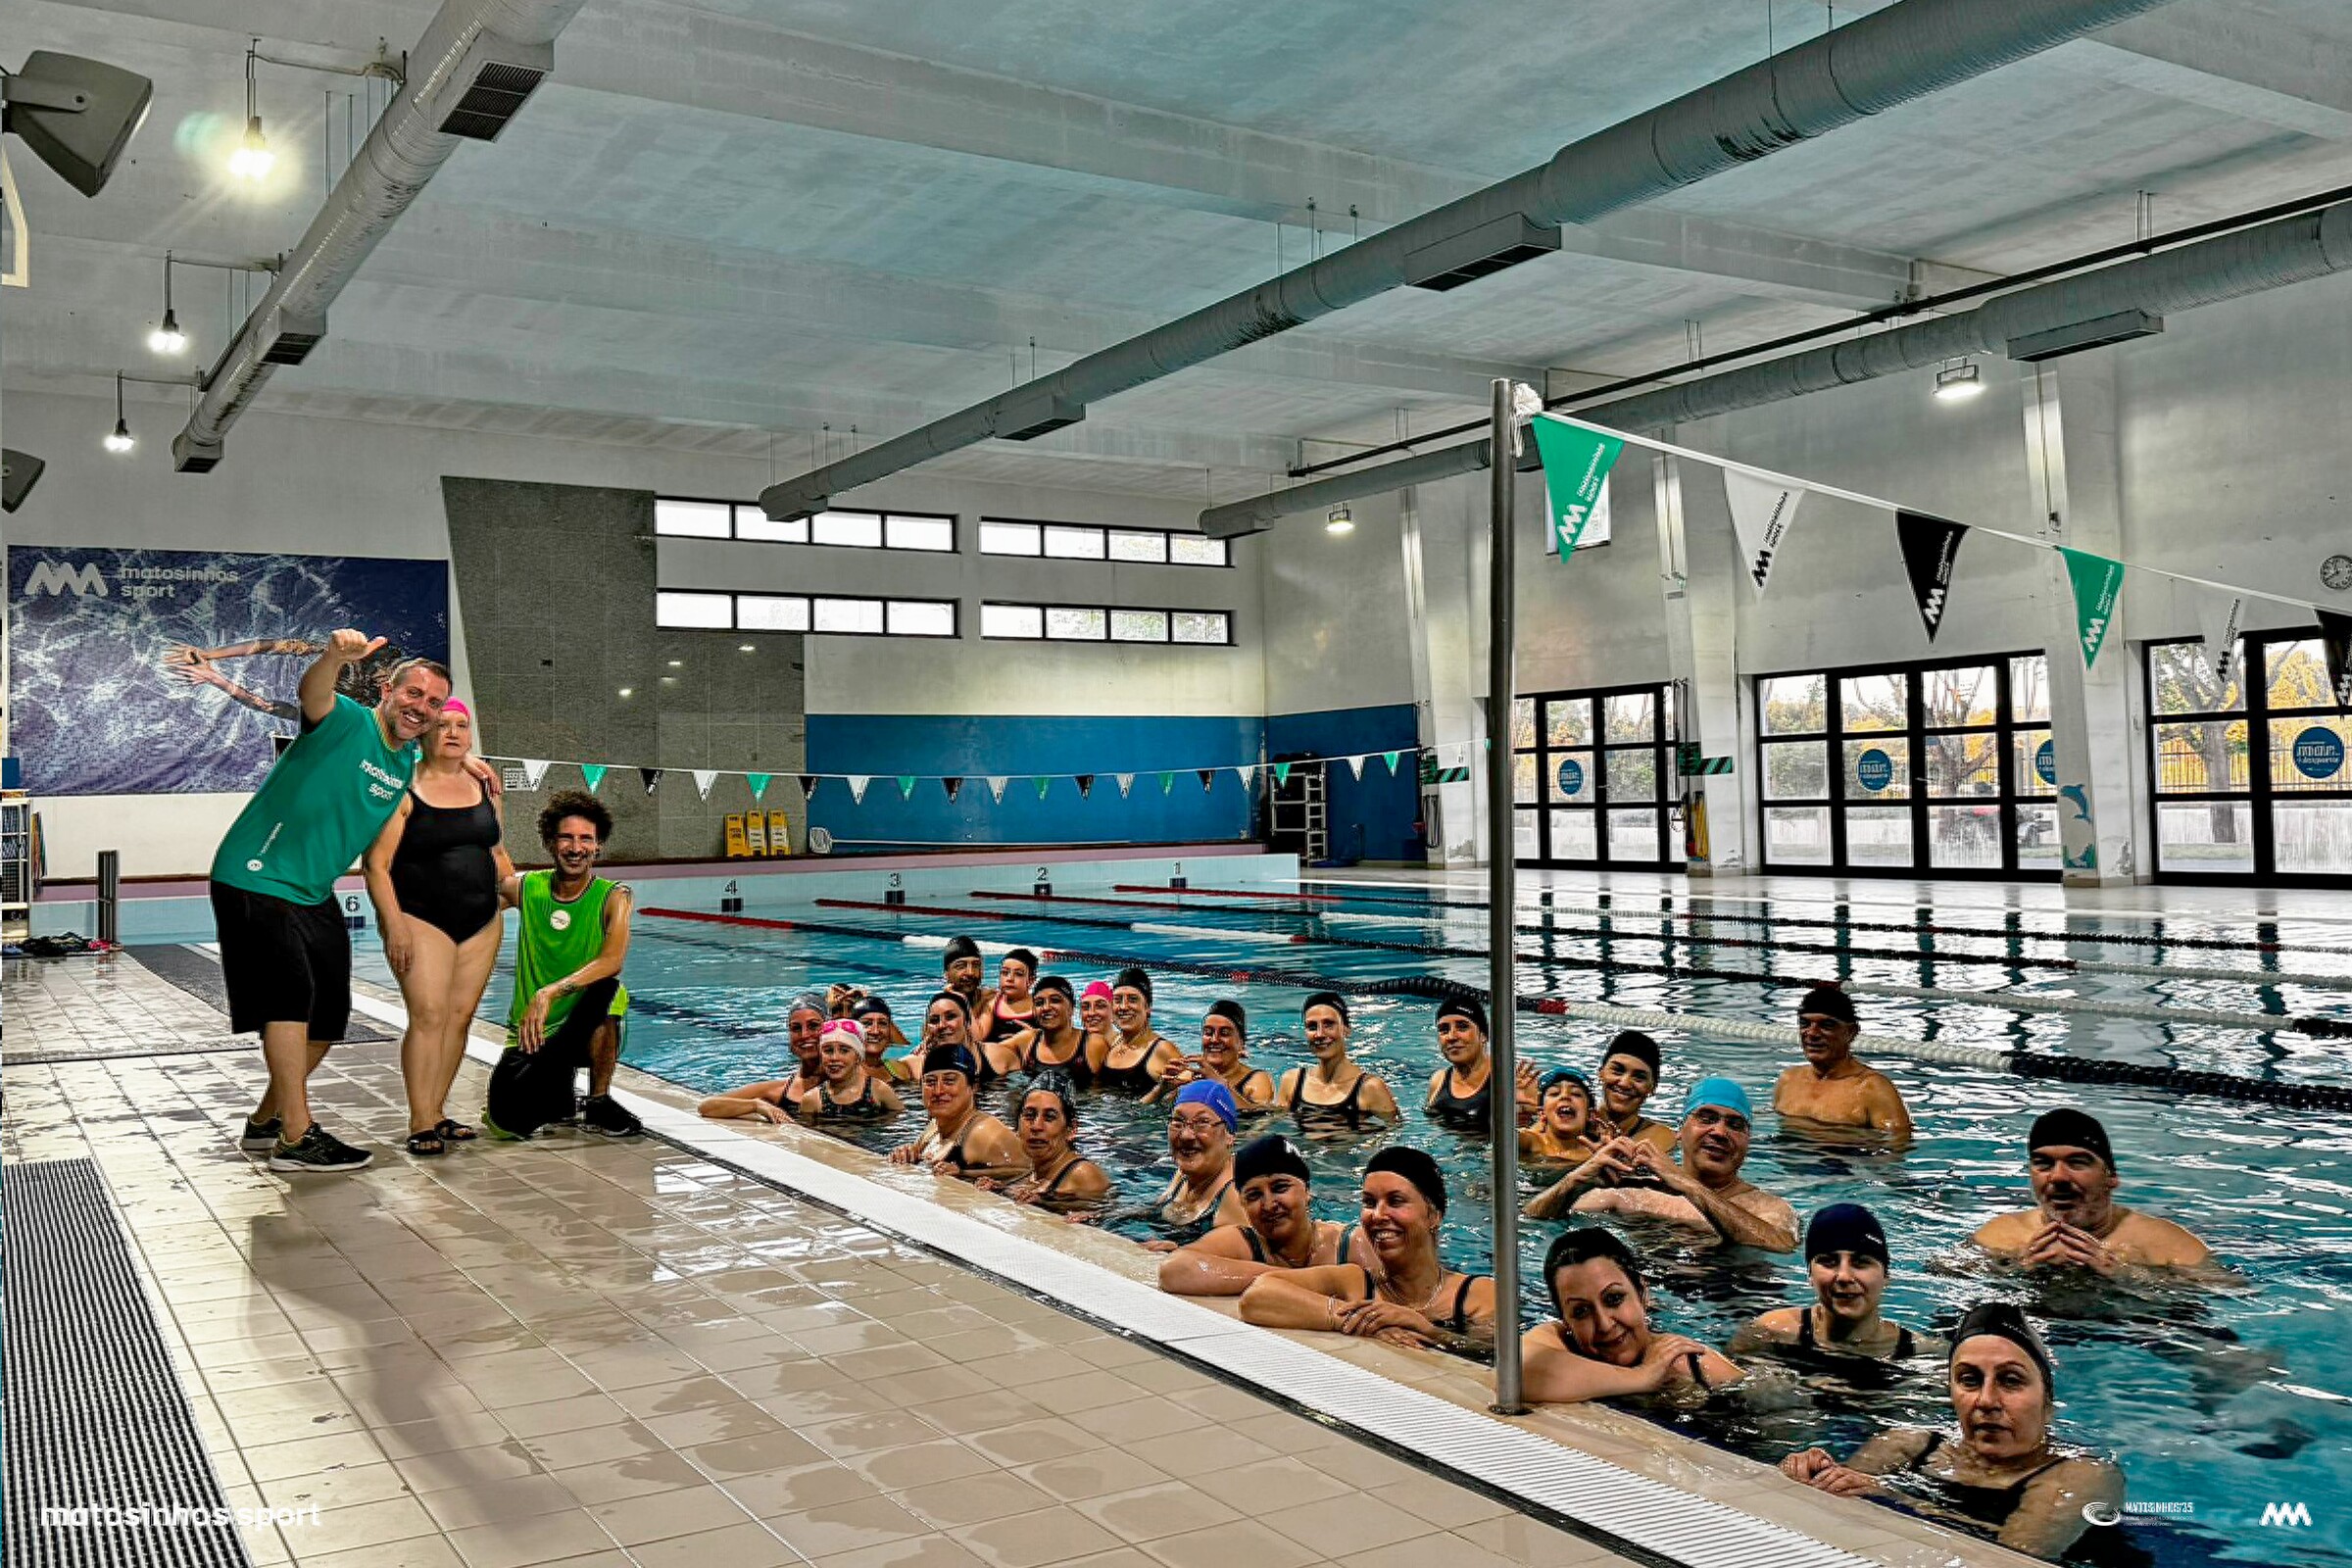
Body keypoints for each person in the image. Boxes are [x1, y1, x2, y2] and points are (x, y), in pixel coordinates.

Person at [210, 629, 479, 1172]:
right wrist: (334, 657)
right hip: (257, 874)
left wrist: (469, 764)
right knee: (288, 1000)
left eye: (433, 702)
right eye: (413, 694)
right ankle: (296, 1135)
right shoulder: (347, 720)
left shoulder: (403, 764)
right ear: (386, 690)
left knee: (330, 1016)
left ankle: (266, 1120)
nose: (421, 707)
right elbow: (313, 694)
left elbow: (436, 768)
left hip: (313, 890)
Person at [1780, 1302, 2126, 1564]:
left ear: (2047, 1402)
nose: (1986, 1400)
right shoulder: (1908, 1444)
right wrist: (1810, 1473)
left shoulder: (2081, 1475)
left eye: (2010, 1381)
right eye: (1970, 1380)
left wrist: (1894, 1500)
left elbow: (2005, 1560)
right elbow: (1824, 1523)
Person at [363, 699, 514, 1157]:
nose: (452, 733)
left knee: (459, 1017)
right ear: (425, 732)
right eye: (443, 724)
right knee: (428, 1015)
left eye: (461, 725)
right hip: (420, 916)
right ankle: (420, 1119)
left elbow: (496, 850)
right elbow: (376, 865)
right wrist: (394, 927)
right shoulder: (403, 787)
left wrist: (519, 892)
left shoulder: (484, 785)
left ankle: (438, 1111)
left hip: (481, 918)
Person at [482, 792, 640, 1141]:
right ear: (550, 843)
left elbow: (612, 960)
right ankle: (560, 1090)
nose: (576, 848)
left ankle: (598, 1100)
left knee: (609, 991)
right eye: (566, 837)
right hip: (532, 1032)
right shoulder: (529, 888)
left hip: (583, 1023)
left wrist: (549, 993)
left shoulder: (615, 896)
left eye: (586, 839)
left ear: (598, 846)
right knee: (505, 1124)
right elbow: (485, 884)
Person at [1238, 1148, 1495, 1350]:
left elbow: (1498, 1359)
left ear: (1434, 1215)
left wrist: (1429, 1330)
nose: (1378, 1215)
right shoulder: (1353, 1281)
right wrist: (1355, 1320)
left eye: (1396, 1201)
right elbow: (1256, 1297)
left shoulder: (1476, 1295)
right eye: (1370, 1203)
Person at [1526, 1077, 1797, 1251]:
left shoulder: (1767, 1207)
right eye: (1706, 1118)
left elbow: (1781, 1245)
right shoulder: (1632, 1195)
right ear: (1680, 1131)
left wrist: (1688, 1186)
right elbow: (1531, 1220)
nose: (1719, 1132)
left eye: (1735, 1125)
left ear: (1747, 1141)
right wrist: (1577, 1180)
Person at [1972, 1109, 2213, 1272]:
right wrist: (2013, 1269)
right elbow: (1955, 1277)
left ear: (2112, 1177)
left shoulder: (2168, 1245)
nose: (2059, 1177)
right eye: (2043, 1163)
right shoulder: (2001, 1235)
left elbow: (2222, 1294)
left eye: (2077, 1162)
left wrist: (2127, 1278)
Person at [1521, 1228, 1742, 1402]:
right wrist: (1642, 1377)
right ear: (1565, 1321)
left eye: (1614, 1299)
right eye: (1581, 1311)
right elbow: (1513, 1372)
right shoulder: (1561, 1342)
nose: (1604, 1325)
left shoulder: (1695, 1366)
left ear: (1643, 1295)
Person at [1730, 1203, 1936, 1365]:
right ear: (1810, 1275)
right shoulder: (1769, 1334)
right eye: (1828, 1262)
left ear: (1886, 1276)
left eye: (1861, 1262)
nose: (1844, 1276)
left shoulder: (1922, 1353)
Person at [1158, 1134, 1363, 1296]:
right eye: (1254, 1195)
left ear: (1307, 1191)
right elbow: (1174, 1270)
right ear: (1243, 1204)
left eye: (1280, 1188)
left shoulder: (1350, 1244)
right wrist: (1304, 1279)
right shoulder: (1245, 1241)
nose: (1269, 1205)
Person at [1772, 983, 1914, 1143]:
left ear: (1851, 1032)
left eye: (1826, 1025)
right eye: (1805, 1024)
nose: (1812, 1033)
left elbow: (1898, 1145)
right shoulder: (1788, 1080)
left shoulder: (1872, 1088)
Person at [1136, 1080, 1250, 1248]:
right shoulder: (1185, 1173)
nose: (1186, 1135)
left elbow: (1263, 1260)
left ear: (1229, 1135)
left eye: (1202, 1123)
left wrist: (1186, 1253)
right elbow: (1155, 1209)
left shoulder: (1236, 1198)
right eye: (1178, 1122)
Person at [976, 1071, 1111, 1211]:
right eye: (1029, 1115)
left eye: (1049, 1117)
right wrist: (1001, 1189)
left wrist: (1044, 1203)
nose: (1036, 1126)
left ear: (1071, 1129)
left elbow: (1105, 1213)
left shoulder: (1083, 1174)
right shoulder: (1033, 1172)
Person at [888, 1044, 1024, 1180]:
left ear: (973, 1087)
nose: (938, 1091)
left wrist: (963, 1173)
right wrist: (908, 1152)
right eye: (930, 1082)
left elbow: (1024, 1170)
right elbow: (917, 1153)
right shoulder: (935, 1126)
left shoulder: (983, 1132)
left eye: (949, 1081)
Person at [1274, 992, 1398, 1135]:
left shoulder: (1370, 1088)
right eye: (1312, 1027)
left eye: (1329, 1024)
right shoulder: (1292, 1081)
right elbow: (1277, 1126)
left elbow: (1392, 1132)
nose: (1319, 1034)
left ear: (1346, 1029)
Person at [698, 996, 829, 1122]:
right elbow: (707, 1106)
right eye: (796, 1028)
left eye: (813, 1026)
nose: (804, 1035)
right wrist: (756, 1105)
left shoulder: (841, 1085)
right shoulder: (779, 1090)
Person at [1423, 997, 1533, 1133]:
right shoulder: (1439, 1080)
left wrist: (1521, 1121)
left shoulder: (1515, 1080)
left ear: (1483, 1035)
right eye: (1444, 1030)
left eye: (1462, 1027)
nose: (1451, 1036)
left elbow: (1540, 1136)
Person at [1148, 1000, 1275, 1108]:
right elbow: (1142, 1111)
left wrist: (1218, 1083)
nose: (1214, 1040)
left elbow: (1261, 1119)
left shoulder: (1256, 1080)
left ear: (1241, 1043)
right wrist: (1160, 1090)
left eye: (1224, 1033)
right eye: (1208, 1033)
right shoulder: (1188, 1077)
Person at [797, 1018, 905, 1127]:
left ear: (858, 1057)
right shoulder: (812, 1100)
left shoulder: (879, 1091)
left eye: (844, 1050)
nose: (834, 1058)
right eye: (828, 1051)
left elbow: (901, 1126)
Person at [1097, 967, 1183, 1092]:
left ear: (1147, 1007)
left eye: (1133, 999)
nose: (1123, 1007)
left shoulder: (1162, 1050)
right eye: (1117, 1000)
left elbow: (1192, 1090)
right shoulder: (1110, 1044)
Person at [1593, 1030, 1678, 1154]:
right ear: (1600, 1073)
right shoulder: (1574, 1123)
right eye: (1617, 1071)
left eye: (1639, 1077)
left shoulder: (1660, 1136)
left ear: (1653, 1088)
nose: (1624, 1083)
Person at [1009, 976, 1097, 1083]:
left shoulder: (1092, 1044)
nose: (1046, 1008)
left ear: (1072, 1008)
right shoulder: (1027, 1041)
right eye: (1039, 1003)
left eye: (1055, 1000)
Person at [924, 988, 1020, 1085]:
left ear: (967, 1022)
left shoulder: (999, 1057)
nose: (941, 1025)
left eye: (951, 1017)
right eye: (934, 1020)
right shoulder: (919, 1066)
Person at [1520, 1067, 1601, 1165]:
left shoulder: (1597, 1153)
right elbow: (1505, 1138)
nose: (1565, 1096)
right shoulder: (1532, 1142)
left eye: (1576, 1094)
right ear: (1542, 1113)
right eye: (1554, 1093)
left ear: (1590, 1114)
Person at [975, 947, 1039, 1044]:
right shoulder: (993, 1004)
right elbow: (979, 1036)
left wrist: (1033, 1038)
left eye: (1018, 974)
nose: (1010, 979)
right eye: (1005, 973)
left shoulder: (1040, 1006)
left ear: (1031, 980)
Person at [854, 996, 915, 1083]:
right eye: (867, 1023)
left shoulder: (899, 1070)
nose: (875, 1031)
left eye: (882, 1023)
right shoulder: (844, 1073)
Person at [941, 935, 987, 1006]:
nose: (970, 972)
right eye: (961, 966)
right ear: (946, 974)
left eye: (975, 965)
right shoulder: (940, 1007)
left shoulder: (993, 1000)